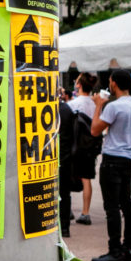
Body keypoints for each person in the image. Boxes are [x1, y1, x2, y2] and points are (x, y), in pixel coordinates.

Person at [89, 69, 131, 261]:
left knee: (112, 208)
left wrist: (98, 106)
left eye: (111, 81)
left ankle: (115, 250)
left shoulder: (114, 106)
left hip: (112, 159)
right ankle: (130, 247)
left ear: (114, 84)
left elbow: (95, 130)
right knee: (126, 204)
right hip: (128, 158)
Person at [68, 73, 100, 225]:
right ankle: (85, 212)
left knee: (67, 177)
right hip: (89, 146)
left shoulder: (74, 104)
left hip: (74, 146)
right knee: (86, 179)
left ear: (79, 85)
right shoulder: (94, 104)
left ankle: (67, 210)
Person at [58, 98, 75, 238]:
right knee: (64, 194)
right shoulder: (66, 109)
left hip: (50, 157)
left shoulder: (42, 106)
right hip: (65, 158)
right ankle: (65, 227)